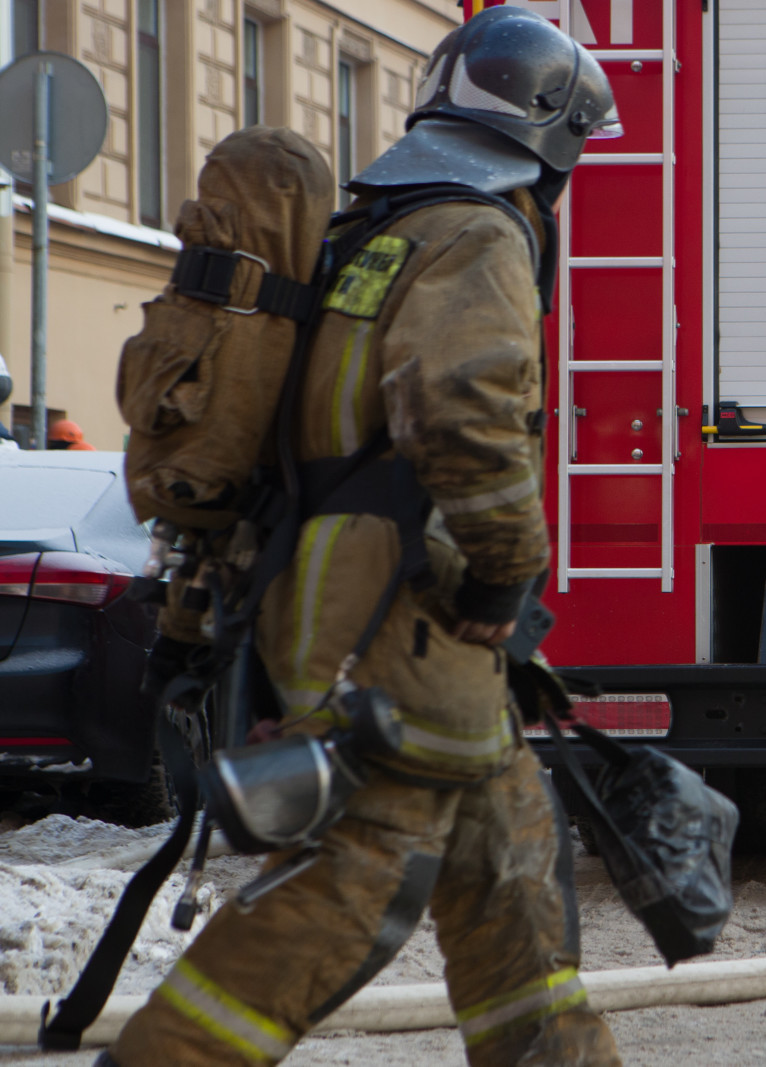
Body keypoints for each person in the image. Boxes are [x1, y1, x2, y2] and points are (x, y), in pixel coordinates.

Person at [105, 10, 622, 1066]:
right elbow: (462, 410)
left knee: (510, 869)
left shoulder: (375, 225)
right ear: (553, 135)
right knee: (356, 876)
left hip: (353, 604)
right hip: (397, 621)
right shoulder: (477, 231)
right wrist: (508, 569)